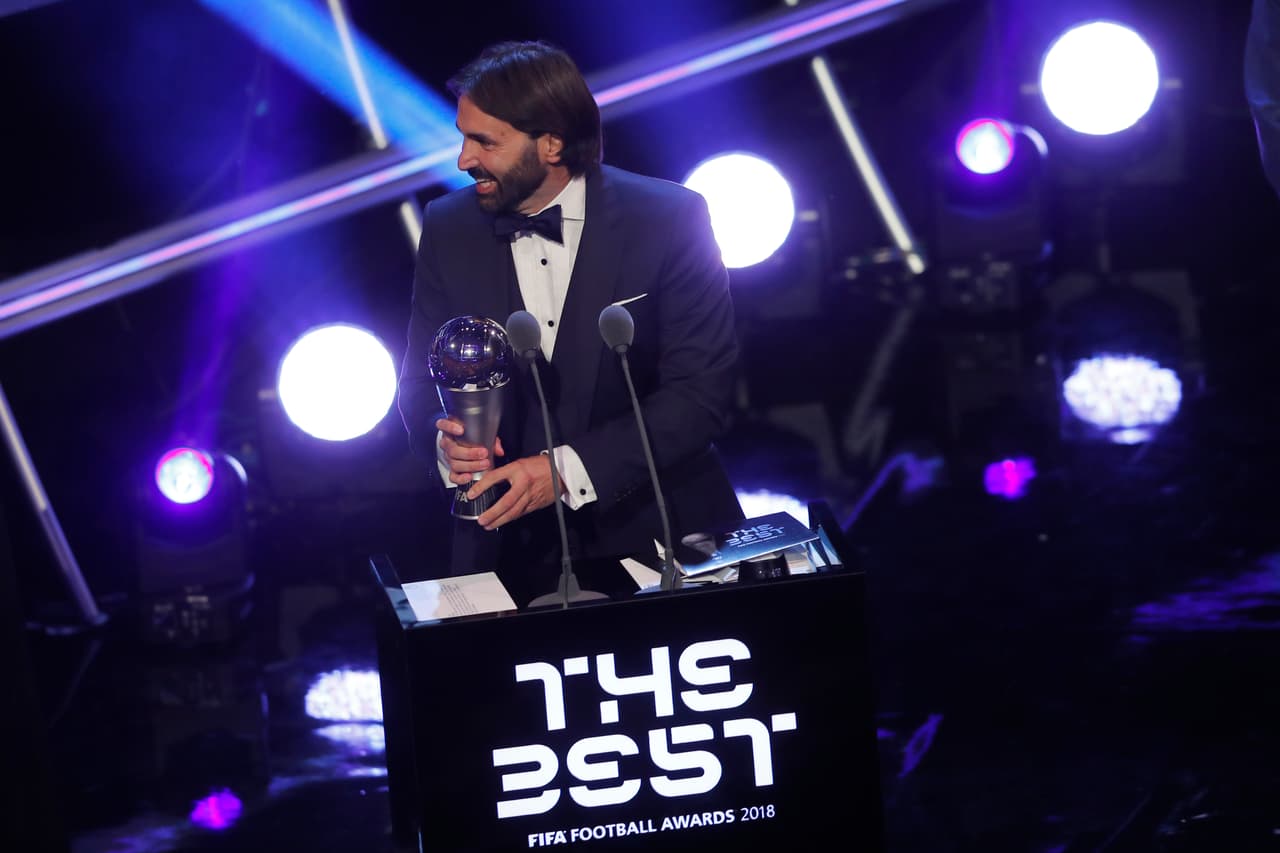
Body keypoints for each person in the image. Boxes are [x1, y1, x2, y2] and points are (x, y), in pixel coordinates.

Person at [398, 41, 743, 604]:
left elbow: (700, 395)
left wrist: (562, 471)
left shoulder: (671, 218)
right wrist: (447, 446)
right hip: (503, 551)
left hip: (660, 537)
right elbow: (417, 384)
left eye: (485, 141)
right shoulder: (447, 227)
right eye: (463, 137)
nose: (464, 160)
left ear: (552, 143)